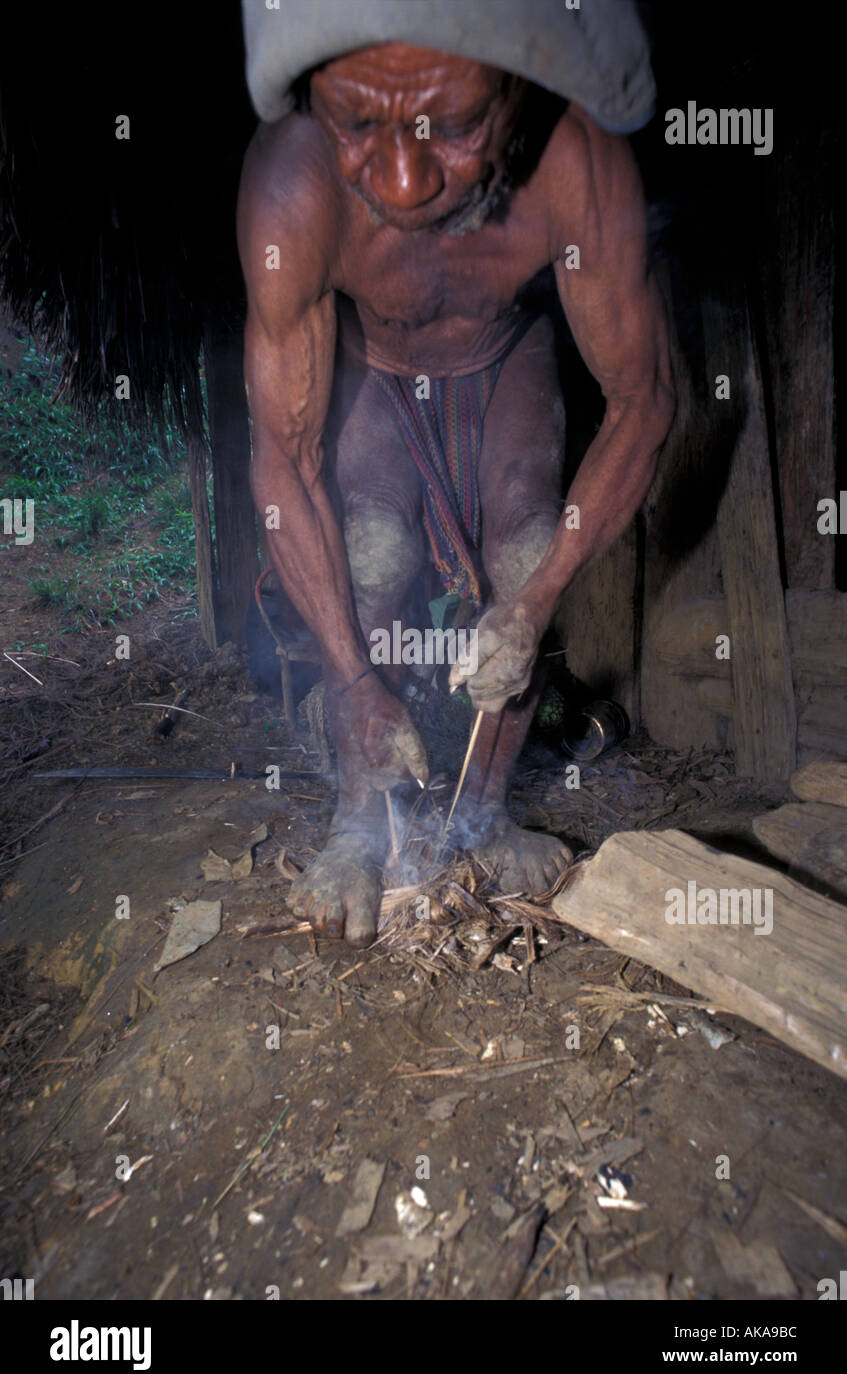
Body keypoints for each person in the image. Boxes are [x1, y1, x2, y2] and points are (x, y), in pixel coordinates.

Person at [237, 36, 674, 945]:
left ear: (516, 89)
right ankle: (360, 821)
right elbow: (286, 459)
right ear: (314, 101)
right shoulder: (295, 188)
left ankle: (483, 814)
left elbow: (643, 397)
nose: (402, 183)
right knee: (373, 547)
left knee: (523, 555)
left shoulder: (578, 164)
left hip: (503, 356)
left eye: (459, 125)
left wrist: (538, 598)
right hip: (369, 368)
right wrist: (356, 679)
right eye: (357, 123)